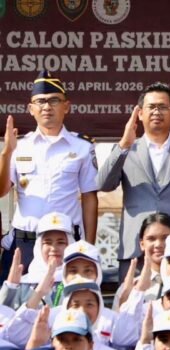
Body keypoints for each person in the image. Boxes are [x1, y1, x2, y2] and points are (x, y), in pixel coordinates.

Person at [97, 82, 170, 281]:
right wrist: (124, 144)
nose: (157, 112)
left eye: (163, 107)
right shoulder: (126, 150)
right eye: (151, 107)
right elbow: (104, 184)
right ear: (140, 113)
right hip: (136, 250)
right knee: (133, 308)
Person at [0, 70, 98, 280]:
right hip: (24, 243)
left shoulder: (82, 147)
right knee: (12, 306)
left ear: (66, 106)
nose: (47, 106)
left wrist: (88, 246)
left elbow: (90, 197)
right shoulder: (20, 146)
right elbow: (1, 192)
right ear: (31, 108)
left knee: (66, 306)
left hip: (65, 242)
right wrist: (6, 152)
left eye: (54, 100)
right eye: (41, 101)